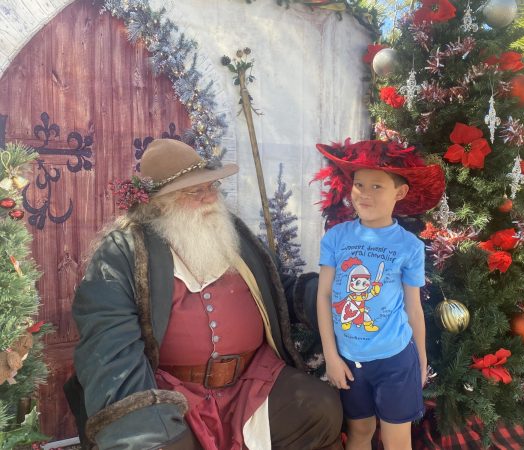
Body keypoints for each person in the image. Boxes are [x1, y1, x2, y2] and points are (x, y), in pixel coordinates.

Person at [66, 138, 343, 450]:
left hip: (250, 386)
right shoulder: (123, 253)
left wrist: (333, 297)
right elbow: (109, 349)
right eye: (195, 191)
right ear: (159, 203)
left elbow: (281, 289)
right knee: (160, 444)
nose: (210, 197)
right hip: (171, 393)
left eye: (211, 186)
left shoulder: (231, 233)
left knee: (317, 409)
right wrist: (139, 425)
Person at [314, 140, 445, 450]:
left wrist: (422, 358)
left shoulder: (409, 246)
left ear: (399, 193)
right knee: (359, 432)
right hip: (349, 360)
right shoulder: (336, 238)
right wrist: (331, 357)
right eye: (359, 184)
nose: (364, 193)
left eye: (376, 186)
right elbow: (323, 297)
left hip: (396, 360)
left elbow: (414, 307)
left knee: (396, 441)